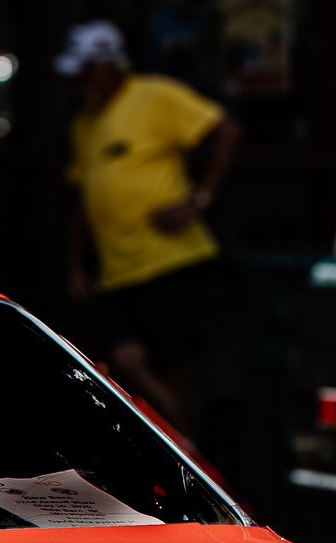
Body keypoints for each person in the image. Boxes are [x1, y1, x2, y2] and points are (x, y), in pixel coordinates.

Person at [59, 19, 240, 436]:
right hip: (117, 269)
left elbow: (226, 130)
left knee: (171, 365)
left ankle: (195, 456)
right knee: (124, 361)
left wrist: (199, 200)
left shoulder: (154, 96)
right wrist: (76, 266)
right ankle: (187, 448)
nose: (80, 80)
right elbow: (84, 198)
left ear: (110, 65)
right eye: (76, 71)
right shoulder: (84, 123)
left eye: (87, 69)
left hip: (168, 261)